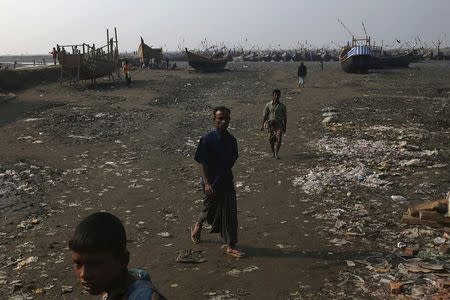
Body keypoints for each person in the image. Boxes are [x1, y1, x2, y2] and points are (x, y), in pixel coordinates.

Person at [69, 212, 166, 300]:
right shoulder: (114, 289)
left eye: (94, 264)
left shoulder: (144, 297)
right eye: (78, 263)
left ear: (123, 260)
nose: (84, 274)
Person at [190, 106, 245, 258]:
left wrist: (224, 172)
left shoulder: (232, 140)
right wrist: (207, 183)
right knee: (209, 208)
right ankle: (198, 225)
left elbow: (233, 158)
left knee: (230, 213)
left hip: (226, 181)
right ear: (214, 120)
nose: (224, 121)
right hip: (210, 181)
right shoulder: (207, 140)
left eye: (226, 118)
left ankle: (231, 245)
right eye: (220, 118)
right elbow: (202, 162)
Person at [261, 89, 287, 159]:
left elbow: (285, 117)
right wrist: (262, 125)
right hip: (270, 124)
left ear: (280, 96)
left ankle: (276, 153)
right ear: (272, 96)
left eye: (278, 95)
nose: (277, 96)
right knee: (270, 139)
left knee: (279, 139)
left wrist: (285, 126)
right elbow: (265, 115)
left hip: (279, 124)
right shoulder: (268, 105)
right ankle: (273, 152)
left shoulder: (282, 106)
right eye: (275, 95)